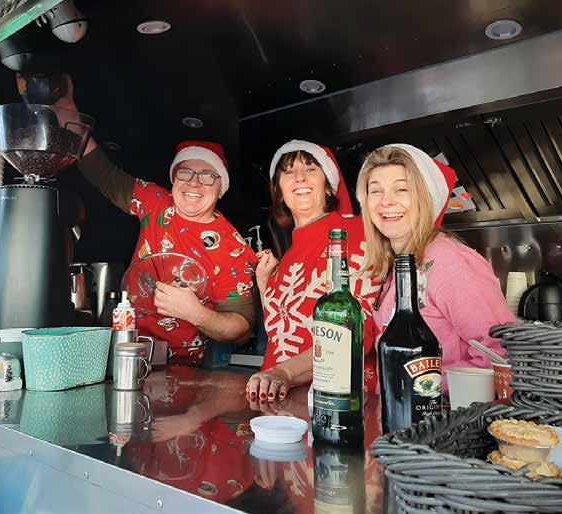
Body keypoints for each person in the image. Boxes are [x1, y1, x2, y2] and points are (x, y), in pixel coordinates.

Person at [77, 135, 257, 365]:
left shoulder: (233, 248)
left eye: (208, 176)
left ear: (221, 187)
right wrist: (72, 121)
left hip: (179, 367)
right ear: (174, 179)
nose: (194, 183)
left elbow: (241, 328)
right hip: (121, 348)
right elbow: (103, 173)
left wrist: (195, 313)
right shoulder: (156, 202)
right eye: (185, 172)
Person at [355, 143, 513, 372]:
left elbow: (501, 351)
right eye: (376, 191)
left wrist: (434, 388)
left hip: (445, 397)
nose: (386, 201)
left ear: (426, 198)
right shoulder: (397, 264)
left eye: (402, 189)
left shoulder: (448, 261)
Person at [246, 140, 381, 401]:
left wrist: (284, 373)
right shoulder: (287, 256)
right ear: (279, 192)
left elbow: (355, 332)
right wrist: (264, 284)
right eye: (288, 172)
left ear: (329, 186)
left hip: (333, 402)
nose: (299, 177)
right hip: (275, 403)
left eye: (310, 169)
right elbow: (282, 332)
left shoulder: (355, 233)